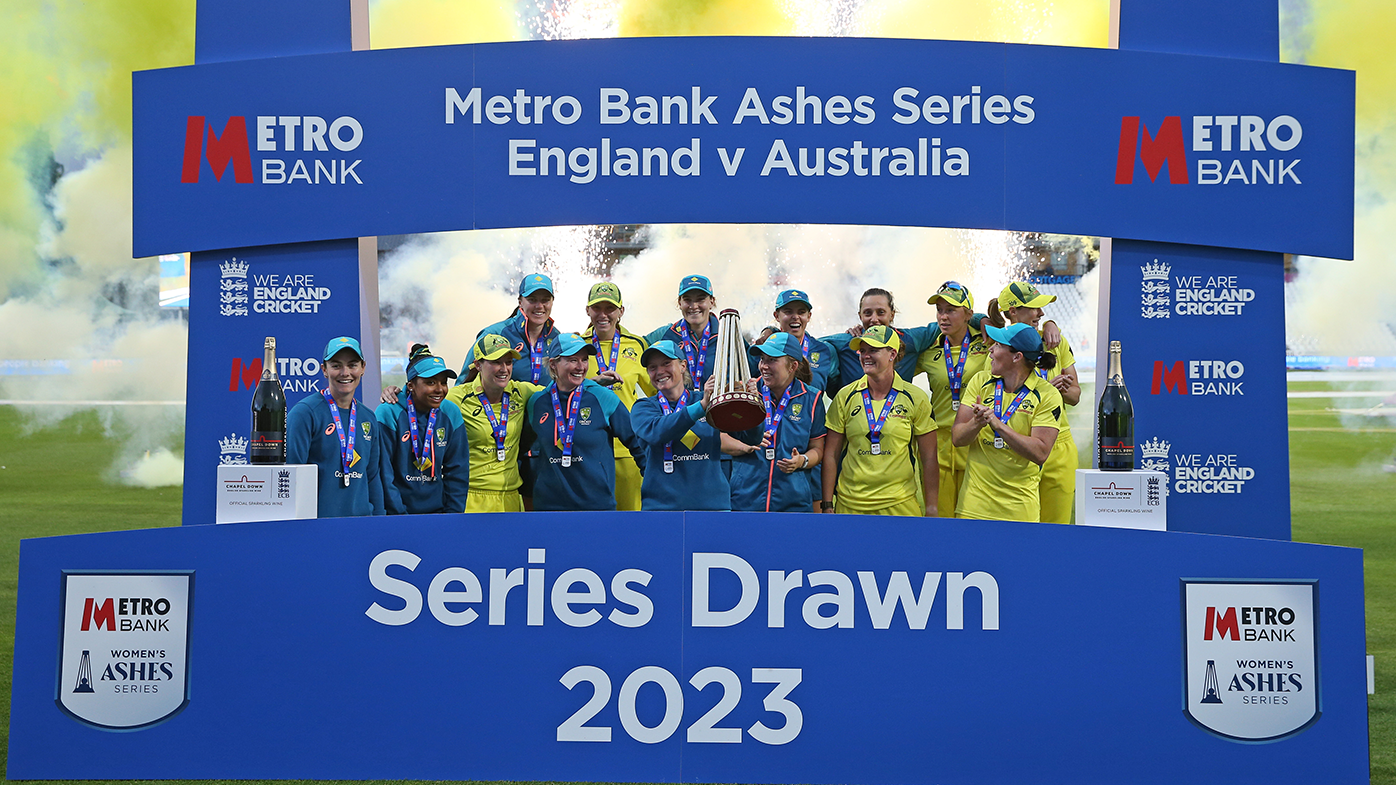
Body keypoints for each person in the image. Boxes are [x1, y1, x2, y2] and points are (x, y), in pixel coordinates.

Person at [986, 282, 1081, 524]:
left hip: (1058, 446)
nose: (1041, 313)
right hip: (1017, 446)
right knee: (1018, 533)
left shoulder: (1055, 341)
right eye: (1035, 307)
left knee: (1055, 530)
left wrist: (1063, 390)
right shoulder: (998, 349)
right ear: (1013, 311)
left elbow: (1075, 396)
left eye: (1042, 308)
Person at [820, 326, 939, 517]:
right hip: (850, 505)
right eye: (863, 350)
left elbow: (929, 458)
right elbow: (831, 454)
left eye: (873, 350)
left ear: (892, 354)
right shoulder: (845, 396)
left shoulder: (915, 398)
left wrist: (932, 507)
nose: (866, 356)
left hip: (899, 506)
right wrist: (827, 504)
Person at [951, 323, 1063, 523]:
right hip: (973, 507)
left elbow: (1040, 453)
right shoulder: (980, 381)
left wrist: (998, 425)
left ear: (1016, 356)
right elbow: (958, 438)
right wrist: (976, 423)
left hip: (1019, 511)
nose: (991, 350)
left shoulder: (1047, 395)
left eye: (998, 345)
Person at [630, 340, 761, 511]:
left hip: (712, 508)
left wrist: (749, 406)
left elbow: (750, 437)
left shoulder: (707, 400)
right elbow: (658, 432)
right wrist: (701, 407)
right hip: (661, 508)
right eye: (652, 367)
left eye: (666, 363)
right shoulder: (643, 407)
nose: (660, 371)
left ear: (683, 365)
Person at [522, 334, 645, 512]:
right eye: (572, 360)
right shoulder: (537, 402)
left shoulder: (603, 397)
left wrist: (654, 487)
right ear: (553, 365)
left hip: (596, 506)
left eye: (584, 360)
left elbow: (638, 444)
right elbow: (521, 450)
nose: (581, 367)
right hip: (548, 508)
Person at [444, 334, 546, 513]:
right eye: (496, 362)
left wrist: (591, 384)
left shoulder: (520, 392)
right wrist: (397, 393)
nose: (504, 369)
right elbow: (422, 407)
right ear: (478, 364)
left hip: (511, 497)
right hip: (471, 497)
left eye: (508, 362)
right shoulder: (457, 397)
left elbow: (561, 392)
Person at [916, 281, 991, 520]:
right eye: (940, 310)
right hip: (937, 449)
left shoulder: (989, 341)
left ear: (969, 313)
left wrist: (1050, 324)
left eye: (951, 310)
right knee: (941, 522)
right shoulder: (929, 349)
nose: (943, 316)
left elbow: (1020, 328)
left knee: (975, 522)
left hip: (977, 443)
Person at [286, 336, 384, 517]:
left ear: (363, 368)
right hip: (317, 526)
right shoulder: (305, 413)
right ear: (324, 369)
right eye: (336, 365)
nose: (345, 372)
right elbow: (292, 476)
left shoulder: (368, 417)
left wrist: (378, 521)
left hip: (361, 525)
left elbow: (372, 477)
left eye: (353, 365)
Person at [729, 333, 827, 513]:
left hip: (793, 504)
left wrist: (801, 461)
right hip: (745, 500)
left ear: (793, 366)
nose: (763, 366)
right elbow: (722, 440)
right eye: (762, 359)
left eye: (772, 360)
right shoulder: (746, 393)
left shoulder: (812, 399)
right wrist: (746, 445)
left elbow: (818, 449)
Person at [579, 281, 654, 511]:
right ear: (587, 310)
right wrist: (594, 383)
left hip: (629, 452)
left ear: (621, 311)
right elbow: (562, 392)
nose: (603, 315)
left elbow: (659, 393)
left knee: (631, 524)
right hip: (589, 452)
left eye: (609, 308)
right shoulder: (576, 347)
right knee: (596, 525)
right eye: (597, 308)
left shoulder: (638, 345)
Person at [375, 344, 469, 515]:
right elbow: (384, 474)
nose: (439, 389)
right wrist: (399, 516)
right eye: (430, 382)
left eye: (443, 382)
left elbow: (457, 471)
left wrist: (453, 517)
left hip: (440, 515)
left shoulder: (450, 412)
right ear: (411, 385)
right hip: (398, 517)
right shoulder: (389, 412)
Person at [820, 287, 933, 393]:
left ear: (892, 315)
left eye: (881, 312)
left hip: (898, 411)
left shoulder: (911, 340)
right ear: (860, 316)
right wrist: (834, 384)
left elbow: (944, 326)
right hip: (853, 411)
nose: (874, 319)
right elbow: (811, 344)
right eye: (868, 313)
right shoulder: (847, 341)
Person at [457, 273, 561, 386]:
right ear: (520, 302)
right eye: (532, 300)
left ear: (552, 302)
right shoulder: (494, 334)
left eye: (545, 300)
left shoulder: (556, 337)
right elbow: (463, 383)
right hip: (502, 404)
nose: (539, 306)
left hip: (544, 403)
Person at [756, 289, 838, 392]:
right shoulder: (763, 347)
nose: (795, 317)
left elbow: (837, 393)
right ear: (777, 316)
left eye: (801, 312)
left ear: (809, 316)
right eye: (788, 312)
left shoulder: (825, 351)